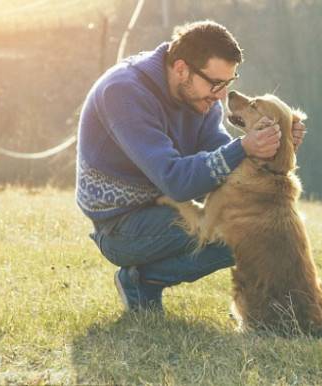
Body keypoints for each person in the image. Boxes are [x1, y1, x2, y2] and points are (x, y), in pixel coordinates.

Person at [76, 20, 306, 312]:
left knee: (254, 229)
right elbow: (176, 181)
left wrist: (277, 145)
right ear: (182, 69)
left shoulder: (202, 99)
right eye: (216, 83)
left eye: (228, 83)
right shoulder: (124, 93)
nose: (222, 95)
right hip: (121, 226)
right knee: (240, 231)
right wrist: (244, 147)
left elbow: (221, 161)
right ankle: (141, 281)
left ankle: (143, 281)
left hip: (164, 207)